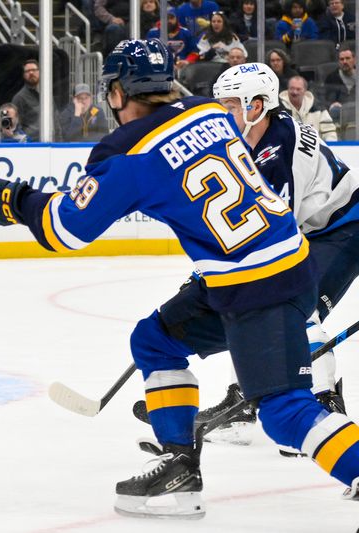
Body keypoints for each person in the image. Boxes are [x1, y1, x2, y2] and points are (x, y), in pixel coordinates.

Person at [0, 38, 359, 518]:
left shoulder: (128, 155)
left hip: (261, 286)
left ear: (115, 94)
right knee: (155, 340)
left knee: (284, 413)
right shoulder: (211, 114)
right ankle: (179, 469)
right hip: (265, 269)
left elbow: (66, 230)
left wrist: (14, 203)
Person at [171, 63, 359, 455]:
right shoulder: (254, 136)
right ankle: (253, 395)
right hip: (312, 227)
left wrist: (213, 273)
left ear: (258, 105)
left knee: (294, 308)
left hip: (343, 228)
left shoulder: (279, 151)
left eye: (231, 105)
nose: (223, 114)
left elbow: (270, 236)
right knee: (265, 310)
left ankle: (325, 409)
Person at [280, 75, 339, 140]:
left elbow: (329, 132)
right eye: (292, 88)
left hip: (315, 149)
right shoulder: (278, 108)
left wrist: (329, 147)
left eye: (298, 89)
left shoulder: (318, 108)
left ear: (305, 91)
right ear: (287, 89)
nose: (295, 92)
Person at [325, 46, 356, 121]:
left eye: (348, 58)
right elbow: (326, 99)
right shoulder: (331, 78)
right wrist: (332, 104)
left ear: (354, 60)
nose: (345, 62)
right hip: (340, 114)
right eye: (342, 59)